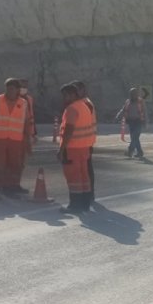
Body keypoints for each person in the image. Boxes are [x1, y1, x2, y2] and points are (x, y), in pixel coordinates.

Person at [0, 78, 33, 198]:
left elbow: (26, 122)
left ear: (17, 90)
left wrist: (28, 139)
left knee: (15, 164)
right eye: (7, 88)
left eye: (12, 89)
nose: (9, 91)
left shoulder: (23, 103)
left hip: (16, 139)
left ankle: (12, 186)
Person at [58, 83, 93, 214]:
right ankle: (85, 203)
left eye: (66, 95)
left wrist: (61, 149)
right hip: (84, 147)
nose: (64, 98)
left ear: (73, 95)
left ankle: (75, 205)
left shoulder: (71, 109)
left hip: (72, 148)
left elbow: (69, 130)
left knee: (73, 177)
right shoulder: (84, 106)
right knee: (84, 176)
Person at [72, 80, 98, 205]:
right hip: (83, 141)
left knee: (86, 170)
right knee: (85, 169)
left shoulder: (85, 104)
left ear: (83, 90)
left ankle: (88, 194)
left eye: (77, 90)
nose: (75, 93)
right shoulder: (81, 103)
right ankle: (87, 194)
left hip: (85, 142)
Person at [116, 87, 147, 159]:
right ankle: (140, 152)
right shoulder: (128, 101)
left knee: (135, 137)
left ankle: (130, 151)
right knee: (134, 138)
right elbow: (123, 110)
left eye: (134, 93)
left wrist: (146, 122)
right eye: (131, 94)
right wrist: (118, 116)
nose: (133, 95)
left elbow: (145, 112)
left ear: (137, 94)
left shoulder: (140, 101)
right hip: (131, 122)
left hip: (139, 121)